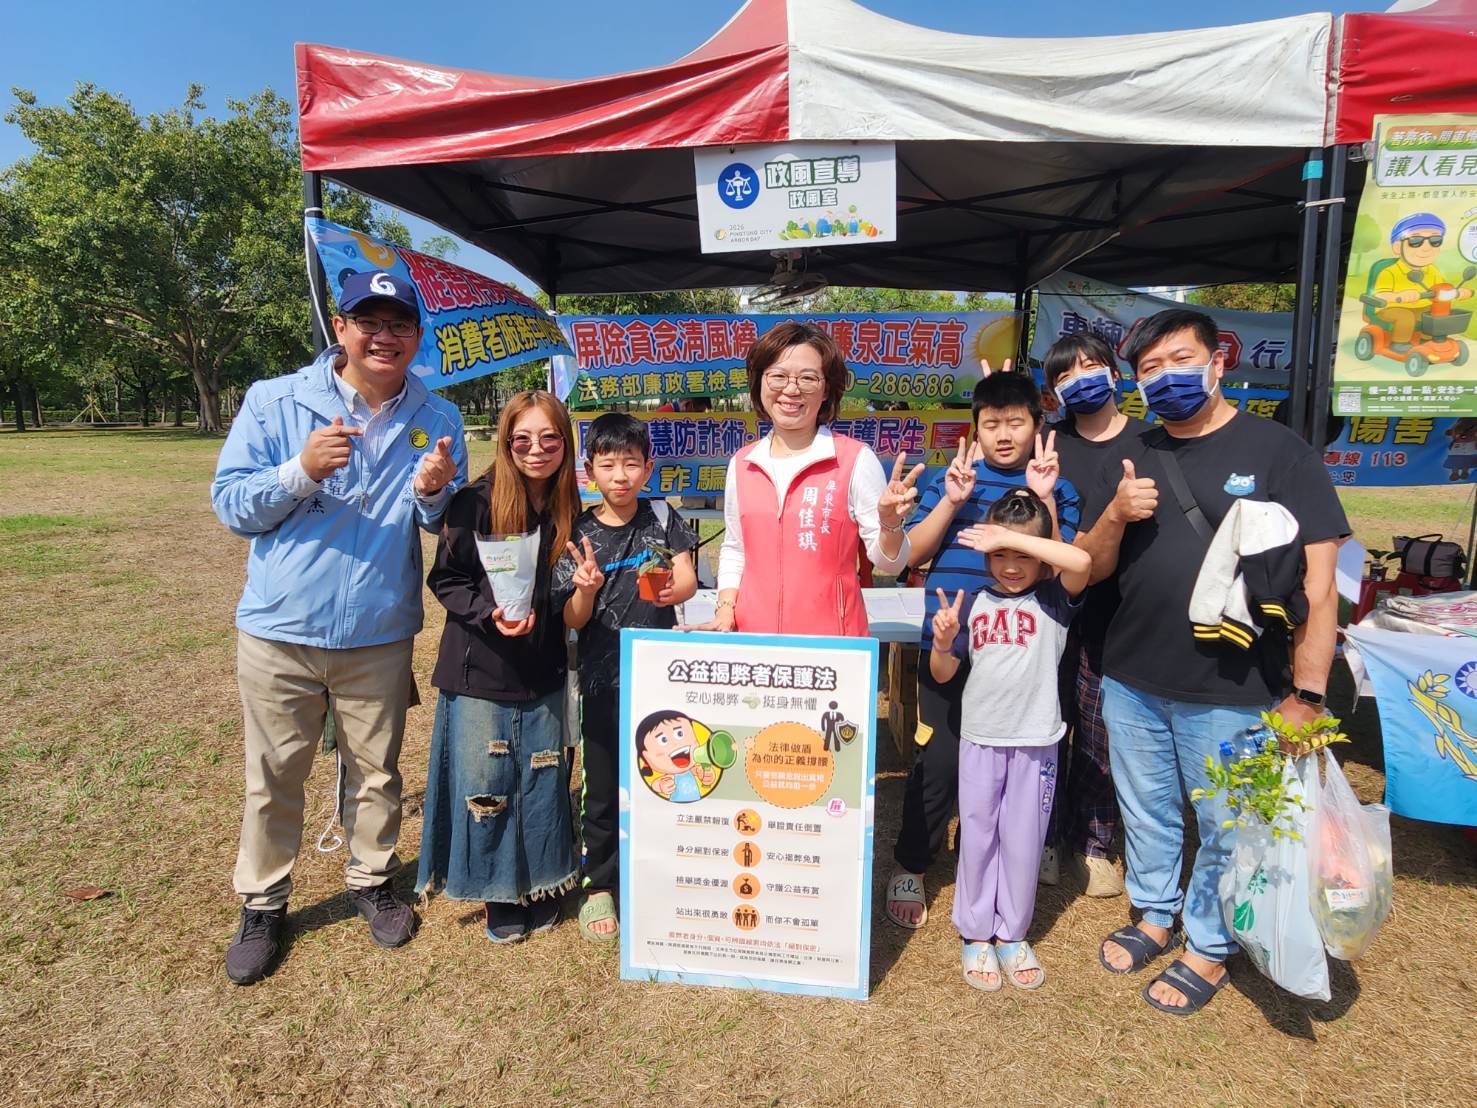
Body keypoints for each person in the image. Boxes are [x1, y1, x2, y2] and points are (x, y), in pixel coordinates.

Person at [1078, 308, 1348, 1015]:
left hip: (1235, 689)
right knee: (1147, 810)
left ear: (1218, 363)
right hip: (1131, 677)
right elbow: (1089, 567)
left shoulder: (1279, 452)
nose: (1165, 377)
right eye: (1149, 368)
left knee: (1229, 825)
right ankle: (1154, 913)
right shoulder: (1128, 453)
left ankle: (1208, 943)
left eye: (1180, 360)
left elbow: (1320, 588)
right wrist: (1115, 513)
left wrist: (1308, 695)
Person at [211, 271, 466, 985]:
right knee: (274, 774)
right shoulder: (275, 401)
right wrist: (300, 470)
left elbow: (443, 524)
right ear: (341, 327)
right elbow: (232, 506)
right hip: (281, 629)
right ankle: (263, 902)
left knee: (377, 770)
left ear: (417, 335)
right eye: (369, 322)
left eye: (400, 324)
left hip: (379, 629)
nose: (385, 337)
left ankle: (372, 878)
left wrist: (433, 493)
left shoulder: (438, 416)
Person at [884, 367, 1080, 929]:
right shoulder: (954, 477)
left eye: (1015, 423)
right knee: (939, 761)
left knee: (1014, 768)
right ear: (975, 428)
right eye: (991, 424)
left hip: (1020, 659)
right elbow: (910, 555)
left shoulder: (1057, 487)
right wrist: (950, 502)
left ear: (1037, 424)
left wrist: (1043, 499)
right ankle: (912, 863)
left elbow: (1065, 568)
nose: (1003, 435)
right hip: (949, 644)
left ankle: (1002, 856)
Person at [415, 390, 582, 944]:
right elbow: (447, 579)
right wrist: (489, 613)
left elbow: (567, 587)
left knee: (541, 776)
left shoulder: (568, 507)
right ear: (507, 443)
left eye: (550, 438)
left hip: (543, 665)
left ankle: (541, 878)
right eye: (523, 438)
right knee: (486, 782)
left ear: (565, 443)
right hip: (480, 666)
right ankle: (496, 890)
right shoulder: (475, 501)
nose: (537, 449)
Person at [930, 489, 1090, 992]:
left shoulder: (1054, 599)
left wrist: (1012, 537)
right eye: (999, 554)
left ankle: (1013, 933)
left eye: (1023, 553)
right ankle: (976, 931)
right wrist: (942, 642)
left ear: (1041, 555)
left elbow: (1081, 561)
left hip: (1036, 741)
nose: (1012, 565)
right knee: (978, 834)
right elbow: (942, 673)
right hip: (980, 738)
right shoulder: (974, 603)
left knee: (1023, 840)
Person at [553, 412, 699, 942]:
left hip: (660, 679)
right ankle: (599, 884)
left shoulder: (662, 517)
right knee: (601, 785)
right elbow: (572, 619)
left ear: (648, 468)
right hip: (600, 679)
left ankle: (660, 872)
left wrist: (673, 589)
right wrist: (586, 590)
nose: (620, 476)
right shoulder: (577, 532)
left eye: (631, 463)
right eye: (608, 464)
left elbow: (687, 578)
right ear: (589, 471)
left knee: (662, 776)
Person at [691, 320, 920, 635]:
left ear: (826, 389)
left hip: (832, 642)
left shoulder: (854, 459)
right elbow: (735, 547)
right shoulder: (743, 464)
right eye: (778, 376)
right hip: (755, 638)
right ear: (759, 382)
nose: (791, 389)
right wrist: (726, 608)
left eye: (808, 378)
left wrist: (890, 524)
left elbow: (890, 563)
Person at [1039, 333, 1150, 897]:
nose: (1079, 379)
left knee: (1100, 734)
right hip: (1049, 608)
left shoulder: (1149, 440)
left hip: (1119, 612)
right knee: (1044, 724)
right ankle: (1045, 836)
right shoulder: (1047, 443)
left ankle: (1095, 843)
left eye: (1089, 366)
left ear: (1114, 372)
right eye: (1064, 375)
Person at [1372, 213, 1473, 347]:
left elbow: (1442, 288)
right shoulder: (1389, 272)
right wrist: (1399, 296)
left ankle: (1428, 341)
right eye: (1415, 241)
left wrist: (1458, 292)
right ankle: (1400, 344)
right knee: (1406, 317)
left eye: (1435, 241)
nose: (1426, 248)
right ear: (1397, 247)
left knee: (1437, 314)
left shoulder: (1433, 270)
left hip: (1421, 307)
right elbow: (1379, 295)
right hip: (1391, 308)